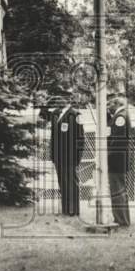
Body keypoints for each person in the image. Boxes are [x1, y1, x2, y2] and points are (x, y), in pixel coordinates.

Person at [49, 89, 85, 217]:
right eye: (57, 98)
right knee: (62, 183)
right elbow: (53, 137)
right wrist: (52, 154)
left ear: (68, 99)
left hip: (70, 157)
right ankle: (65, 209)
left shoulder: (75, 115)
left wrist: (78, 157)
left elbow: (80, 138)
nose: (58, 100)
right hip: (59, 157)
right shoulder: (55, 114)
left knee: (71, 183)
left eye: (61, 98)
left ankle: (73, 210)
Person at [105, 96, 132, 227]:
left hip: (116, 159)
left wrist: (108, 155)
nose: (108, 107)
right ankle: (121, 219)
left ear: (116, 104)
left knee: (117, 190)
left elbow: (118, 140)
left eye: (109, 104)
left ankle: (121, 220)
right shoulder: (119, 115)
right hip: (118, 158)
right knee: (118, 189)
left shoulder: (120, 117)